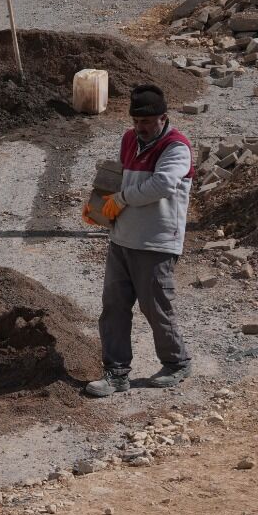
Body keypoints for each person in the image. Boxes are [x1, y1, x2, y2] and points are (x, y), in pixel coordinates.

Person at [82, 84, 194, 397]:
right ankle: (116, 373)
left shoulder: (176, 147)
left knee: (155, 307)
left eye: (146, 123)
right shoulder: (129, 139)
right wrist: (99, 206)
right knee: (114, 308)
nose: (140, 129)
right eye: (136, 122)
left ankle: (176, 362)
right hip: (122, 240)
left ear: (163, 118)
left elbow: (163, 184)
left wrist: (122, 198)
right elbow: (120, 178)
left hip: (156, 242)